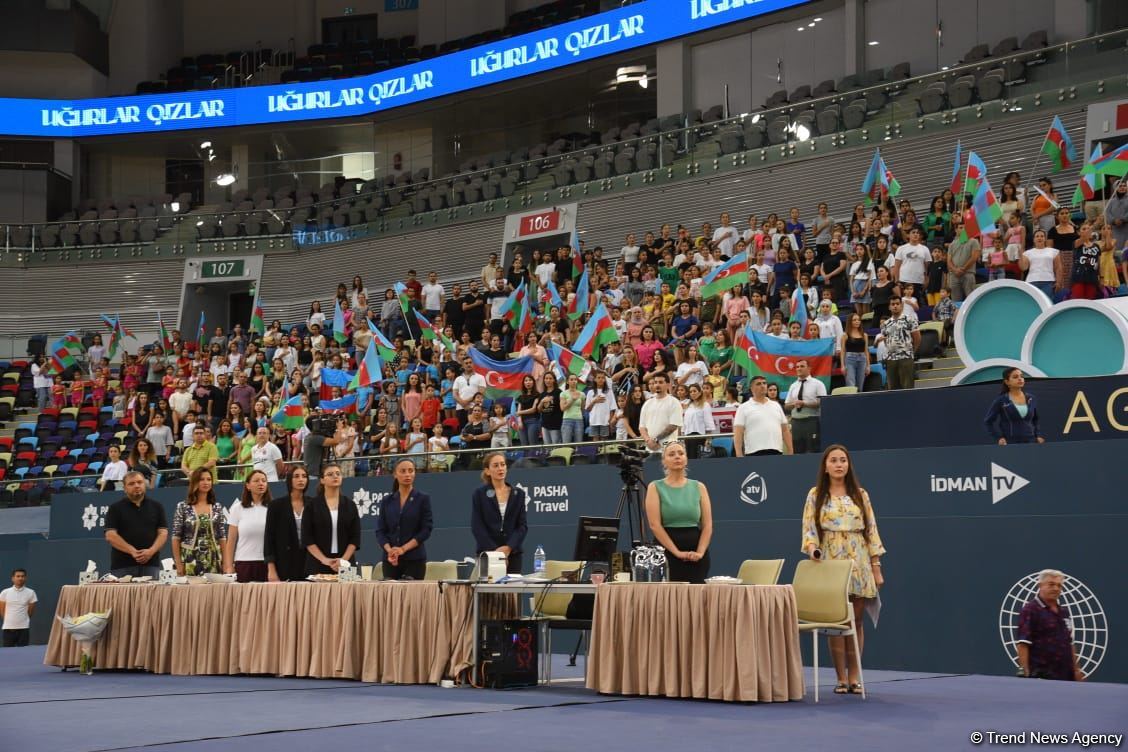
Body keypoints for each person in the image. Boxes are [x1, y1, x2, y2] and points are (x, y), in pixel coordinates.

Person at [801, 445, 885, 695]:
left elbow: (872, 531)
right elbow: (809, 529)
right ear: (825, 467)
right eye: (834, 461)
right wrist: (813, 549)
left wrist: (876, 567)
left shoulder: (861, 494)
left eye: (843, 460)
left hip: (858, 561)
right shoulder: (816, 495)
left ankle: (855, 676)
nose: (839, 465)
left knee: (856, 620)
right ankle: (840, 678)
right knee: (836, 622)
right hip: (829, 561)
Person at [644, 441, 713, 584]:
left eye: (681, 453)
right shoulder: (655, 487)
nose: (677, 457)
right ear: (664, 461)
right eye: (671, 454)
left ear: (686, 458)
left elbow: (707, 525)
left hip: (697, 555)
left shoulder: (699, 487)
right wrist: (676, 553)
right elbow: (654, 525)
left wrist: (700, 552)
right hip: (666, 554)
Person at [1015, 569, 1085, 681]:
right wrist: (1025, 672)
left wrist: (1076, 670)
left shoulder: (1064, 612)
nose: (1056, 588)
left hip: (1066, 676)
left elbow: (1069, 643)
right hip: (1042, 676)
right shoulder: (1030, 610)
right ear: (1040, 585)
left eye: (1059, 585)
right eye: (1051, 584)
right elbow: (1023, 643)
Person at [375, 458, 434, 580]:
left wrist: (403, 549)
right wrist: (390, 550)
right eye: (403, 471)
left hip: (415, 560)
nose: (407, 474)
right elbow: (380, 530)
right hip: (390, 560)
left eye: (411, 471)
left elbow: (426, 530)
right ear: (395, 475)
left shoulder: (423, 499)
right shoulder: (387, 501)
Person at [470, 451, 529, 574]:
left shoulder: (518, 494)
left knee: (512, 592)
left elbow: (522, 526)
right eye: (495, 465)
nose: (500, 468)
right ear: (487, 471)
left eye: (503, 464)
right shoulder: (479, 494)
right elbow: (477, 526)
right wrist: (496, 553)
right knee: (489, 593)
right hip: (487, 553)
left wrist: (508, 548)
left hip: (513, 554)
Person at [104, 471, 168, 578]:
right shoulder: (115, 508)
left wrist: (151, 551)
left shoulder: (157, 507)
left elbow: (163, 533)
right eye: (131, 483)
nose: (137, 485)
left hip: (151, 565)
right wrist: (132, 551)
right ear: (124, 488)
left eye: (140, 482)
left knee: (149, 595)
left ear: (145, 485)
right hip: (122, 566)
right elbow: (110, 535)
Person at [303, 463, 361, 574]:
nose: (335, 476)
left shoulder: (350, 505)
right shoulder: (312, 505)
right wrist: (325, 560)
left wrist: (343, 560)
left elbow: (355, 538)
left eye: (338, 474)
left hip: (346, 564)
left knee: (347, 592)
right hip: (317, 564)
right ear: (322, 480)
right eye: (330, 474)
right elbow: (307, 538)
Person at [171, 467, 229, 576]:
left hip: (213, 558)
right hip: (189, 559)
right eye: (202, 479)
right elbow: (175, 537)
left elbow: (222, 536)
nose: (206, 482)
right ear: (194, 482)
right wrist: (178, 563)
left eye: (209, 479)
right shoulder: (183, 507)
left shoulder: (217, 507)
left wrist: (225, 562)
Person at [264, 466, 310, 582]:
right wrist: (271, 569)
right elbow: (269, 538)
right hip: (284, 563)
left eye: (304, 476)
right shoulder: (276, 505)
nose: (301, 479)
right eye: (296, 476)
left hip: (309, 563)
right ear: (289, 480)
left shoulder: (314, 503)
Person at [226, 470, 271, 582]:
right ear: (248, 486)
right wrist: (229, 566)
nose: (261, 483)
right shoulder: (237, 508)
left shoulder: (273, 507)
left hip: (267, 563)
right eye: (256, 481)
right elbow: (231, 540)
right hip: (243, 563)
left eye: (264, 481)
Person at [984, 367, 1044, 445]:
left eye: (1021, 376)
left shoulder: (1031, 398)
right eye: (1015, 377)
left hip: (1031, 442)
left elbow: (1035, 419)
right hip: (1010, 444)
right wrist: (998, 438)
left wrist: (1038, 435)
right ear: (1007, 382)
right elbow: (988, 422)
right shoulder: (1001, 400)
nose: (1020, 379)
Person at [733, 375, 792, 456]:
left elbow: (785, 430)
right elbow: (738, 432)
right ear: (751, 388)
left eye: (764, 383)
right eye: (758, 384)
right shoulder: (743, 407)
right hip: (754, 452)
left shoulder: (776, 405)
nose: (762, 386)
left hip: (776, 451)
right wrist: (739, 454)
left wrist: (790, 450)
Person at [785, 360, 827, 454]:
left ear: (809, 368)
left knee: (812, 449)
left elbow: (823, 403)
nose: (799, 369)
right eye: (797, 367)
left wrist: (805, 403)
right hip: (796, 422)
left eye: (802, 366)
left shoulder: (818, 384)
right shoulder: (793, 386)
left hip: (811, 421)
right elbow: (787, 405)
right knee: (797, 450)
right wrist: (794, 404)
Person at [880, 297, 920, 390]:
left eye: (897, 304)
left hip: (906, 357)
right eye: (893, 304)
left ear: (901, 306)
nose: (895, 306)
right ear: (889, 307)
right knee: (893, 388)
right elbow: (886, 341)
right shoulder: (885, 324)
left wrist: (912, 352)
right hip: (890, 359)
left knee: (907, 387)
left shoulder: (910, 320)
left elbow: (917, 338)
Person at [638, 372, 683, 450]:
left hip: (668, 448)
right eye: (655, 382)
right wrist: (648, 441)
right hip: (650, 449)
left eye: (661, 382)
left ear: (668, 385)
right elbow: (642, 427)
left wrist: (656, 440)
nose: (657, 385)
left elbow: (673, 426)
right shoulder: (648, 403)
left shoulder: (674, 402)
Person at [1, 568, 37, 647]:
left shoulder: (31, 593)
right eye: (18, 576)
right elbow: (2, 610)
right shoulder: (5, 592)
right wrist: (10, 622)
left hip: (24, 629)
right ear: (13, 578)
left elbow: (30, 612)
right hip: (8, 629)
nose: (20, 578)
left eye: (22, 576)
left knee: (23, 653)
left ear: (25, 578)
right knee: (8, 654)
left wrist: (22, 621)